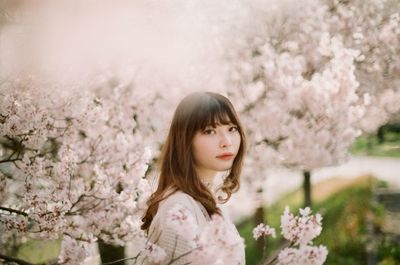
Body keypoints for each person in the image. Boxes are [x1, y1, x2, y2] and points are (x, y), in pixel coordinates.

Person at [141, 92, 247, 265]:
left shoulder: (205, 200)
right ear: (185, 140)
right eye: (210, 131)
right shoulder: (178, 208)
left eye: (232, 129)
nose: (226, 141)